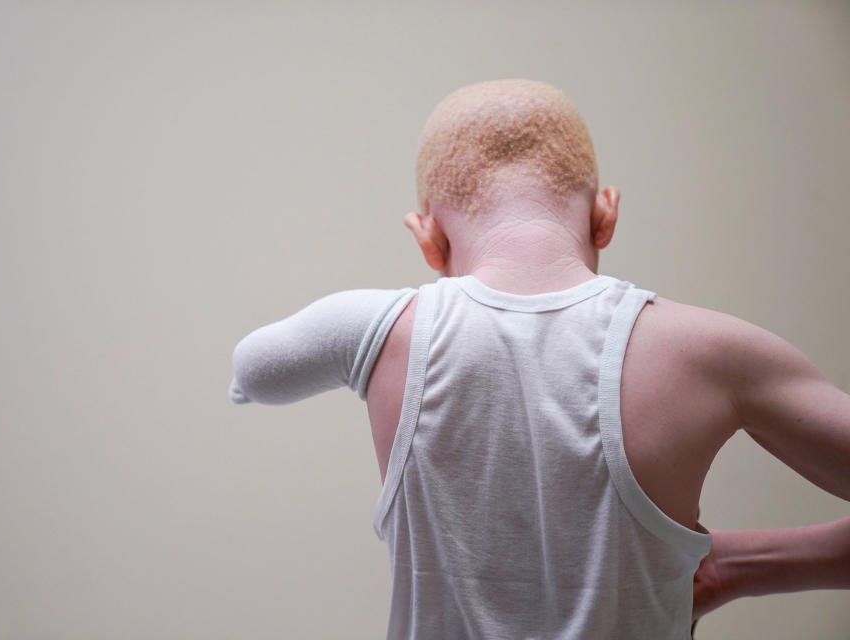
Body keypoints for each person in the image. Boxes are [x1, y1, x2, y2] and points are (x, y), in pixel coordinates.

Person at [229, 79, 850, 639]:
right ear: (605, 214)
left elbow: (253, 371)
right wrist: (729, 570)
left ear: (428, 236)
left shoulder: (378, 330)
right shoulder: (712, 352)